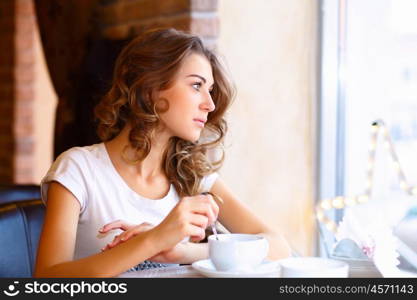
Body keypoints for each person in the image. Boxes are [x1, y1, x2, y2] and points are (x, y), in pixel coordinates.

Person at [34, 28, 291, 278]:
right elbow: (46, 279)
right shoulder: (78, 169)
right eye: (196, 85)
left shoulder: (193, 175)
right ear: (151, 87)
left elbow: (278, 247)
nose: (210, 104)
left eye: (209, 90)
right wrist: (153, 240)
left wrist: (184, 252)